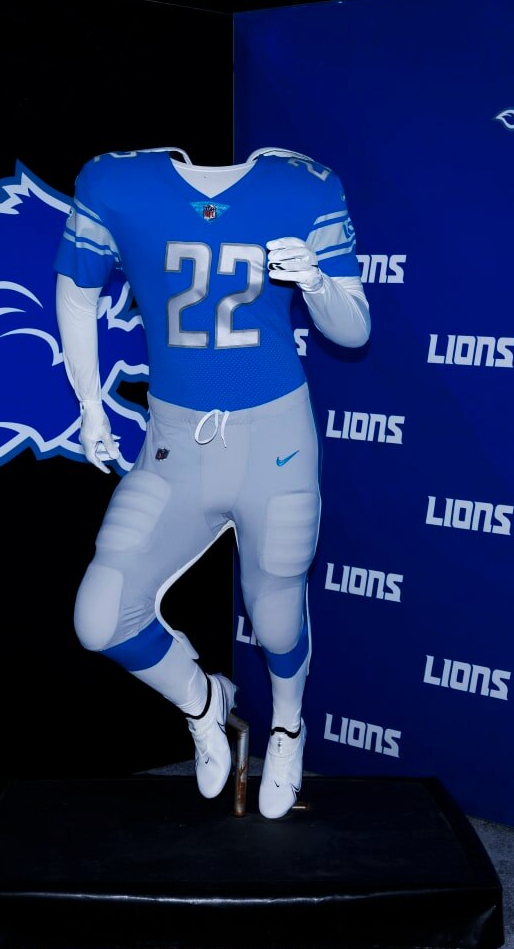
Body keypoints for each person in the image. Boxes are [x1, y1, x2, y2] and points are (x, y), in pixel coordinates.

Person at [53, 145, 371, 819]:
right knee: (100, 616)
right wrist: (88, 404)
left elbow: (354, 325)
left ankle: (288, 727)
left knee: (277, 608)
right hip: (176, 445)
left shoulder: (304, 183)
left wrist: (314, 281)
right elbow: (76, 291)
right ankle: (205, 700)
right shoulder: (116, 183)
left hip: (276, 442)